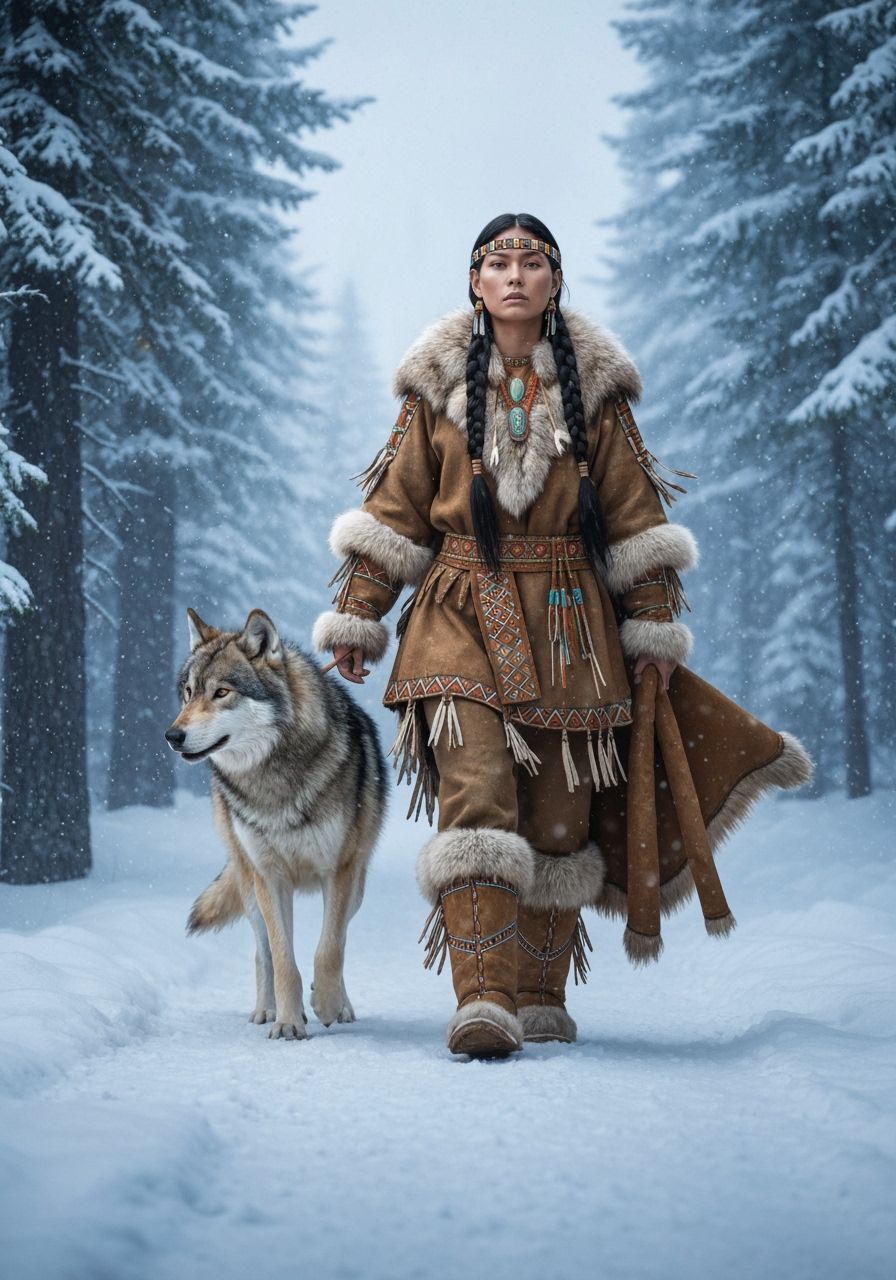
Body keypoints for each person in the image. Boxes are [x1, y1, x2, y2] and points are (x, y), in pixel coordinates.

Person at [313, 213, 811, 1059]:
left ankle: (540, 992)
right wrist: (362, 611)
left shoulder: (597, 391)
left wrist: (651, 627)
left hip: (573, 626)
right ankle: (483, 1000)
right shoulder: (433, 387)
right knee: (477, 797)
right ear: (475, 283)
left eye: (532, 261)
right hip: (457, 614)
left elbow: (634, 518)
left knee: (556, 817)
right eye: (497, 262)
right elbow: (396, 511)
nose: (514, 274)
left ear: (554, 282)